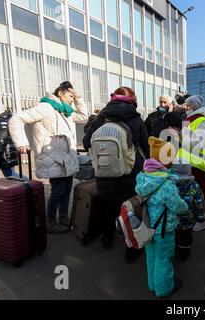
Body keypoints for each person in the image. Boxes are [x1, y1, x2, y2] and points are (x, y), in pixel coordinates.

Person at [9, 81, 88, 234]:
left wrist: (79, 98)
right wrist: (21, 143)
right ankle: (50, 222)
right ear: (60, 93)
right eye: (70, 96)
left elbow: (83, 116)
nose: (72, 99)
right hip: (53, 158)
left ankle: (63, 217)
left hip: (67, 158)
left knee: (66, 191)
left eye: (74, 96)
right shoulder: (45, 108)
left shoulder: (66, 111)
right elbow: (16, 119)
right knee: (58, 191)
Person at [83, 87, 149, 263]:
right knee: (130, 210)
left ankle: (107, 238)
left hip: (104, 173)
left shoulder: (102, 117)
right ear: (132, 99)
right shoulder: (135, 119)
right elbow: (146, 147)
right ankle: (131, 249)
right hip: (129, 174)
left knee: (108, 207)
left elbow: (85, 142)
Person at [135, 137, 188, 298]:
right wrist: (185, 206)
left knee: (151, 257)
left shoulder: (143, 176)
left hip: (147, 226)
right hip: (163, 229)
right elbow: (178, 206)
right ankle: (164, 289)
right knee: (164, 259)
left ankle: (153, 284)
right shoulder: (166, 184)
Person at [181, 96, 205, 232]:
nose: (186, 107)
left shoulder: (201, 121)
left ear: (194, 106)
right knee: (195, 191)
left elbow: (197, 143)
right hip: (190, 160)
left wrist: (180, 137)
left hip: (198, 161)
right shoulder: (190, 120)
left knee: (202, 190)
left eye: (188, 105)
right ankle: (199, 216)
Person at [0, 101, 18, 179]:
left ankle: (29, 185)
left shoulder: (2, 121)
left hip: (3, 157)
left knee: (11, 177)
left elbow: (1, 141)